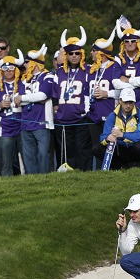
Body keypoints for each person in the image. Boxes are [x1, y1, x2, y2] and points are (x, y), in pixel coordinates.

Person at [52, 26, 92, 171]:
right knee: (67, 153)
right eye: (71, 53)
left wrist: (86, 111)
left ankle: (84, 178)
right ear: (66, 55)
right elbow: (54, 93)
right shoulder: (60, 71)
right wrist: (56, 110)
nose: (74, 56)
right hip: (63, 119)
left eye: (77, 53)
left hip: (80, 118)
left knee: (82, 150)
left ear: (82, 54)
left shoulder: (88, 70)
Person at [14, 44, 55, 174]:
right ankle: (32, 182)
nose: (24, 65)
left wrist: (24, 98)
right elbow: (16, 98)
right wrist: (29, 98)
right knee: (28, 157)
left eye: (27, 62)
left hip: (42, 123)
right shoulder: (25, 79)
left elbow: (43, 95)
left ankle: (44, 181)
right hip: (25, 123)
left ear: (35, 63)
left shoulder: (48, 76)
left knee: (43, 155)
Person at [0, 50, 24, 176]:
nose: (8, 70)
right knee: (6, 164)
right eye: (5, 68)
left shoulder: (23, 85)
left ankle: (30, 186)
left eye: (11, 67)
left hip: (24, 128)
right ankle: (7, 189)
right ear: (1, 70)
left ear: (16, 70)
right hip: (6, 130)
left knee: (26, 162)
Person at [93, 88, 140, 169]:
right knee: (97, 149)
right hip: (120, 149)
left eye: (130, 102)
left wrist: (122, 134)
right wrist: (107, 138)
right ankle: (117, 168)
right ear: (120, 101)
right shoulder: (112, 116)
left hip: (134, 148)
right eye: (125, 102)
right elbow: (102, 137)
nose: (128, 105)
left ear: (134, 102)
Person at [87, 29, 118, 169]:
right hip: (94, 115)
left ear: (101, 53)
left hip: (110, 115)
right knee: (97, 149)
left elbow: (123, 91)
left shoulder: (115, 67)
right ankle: (100, 175)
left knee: (111, 149)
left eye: (94, 50)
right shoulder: (93, 69)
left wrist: (108, 94)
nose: (91, 53)